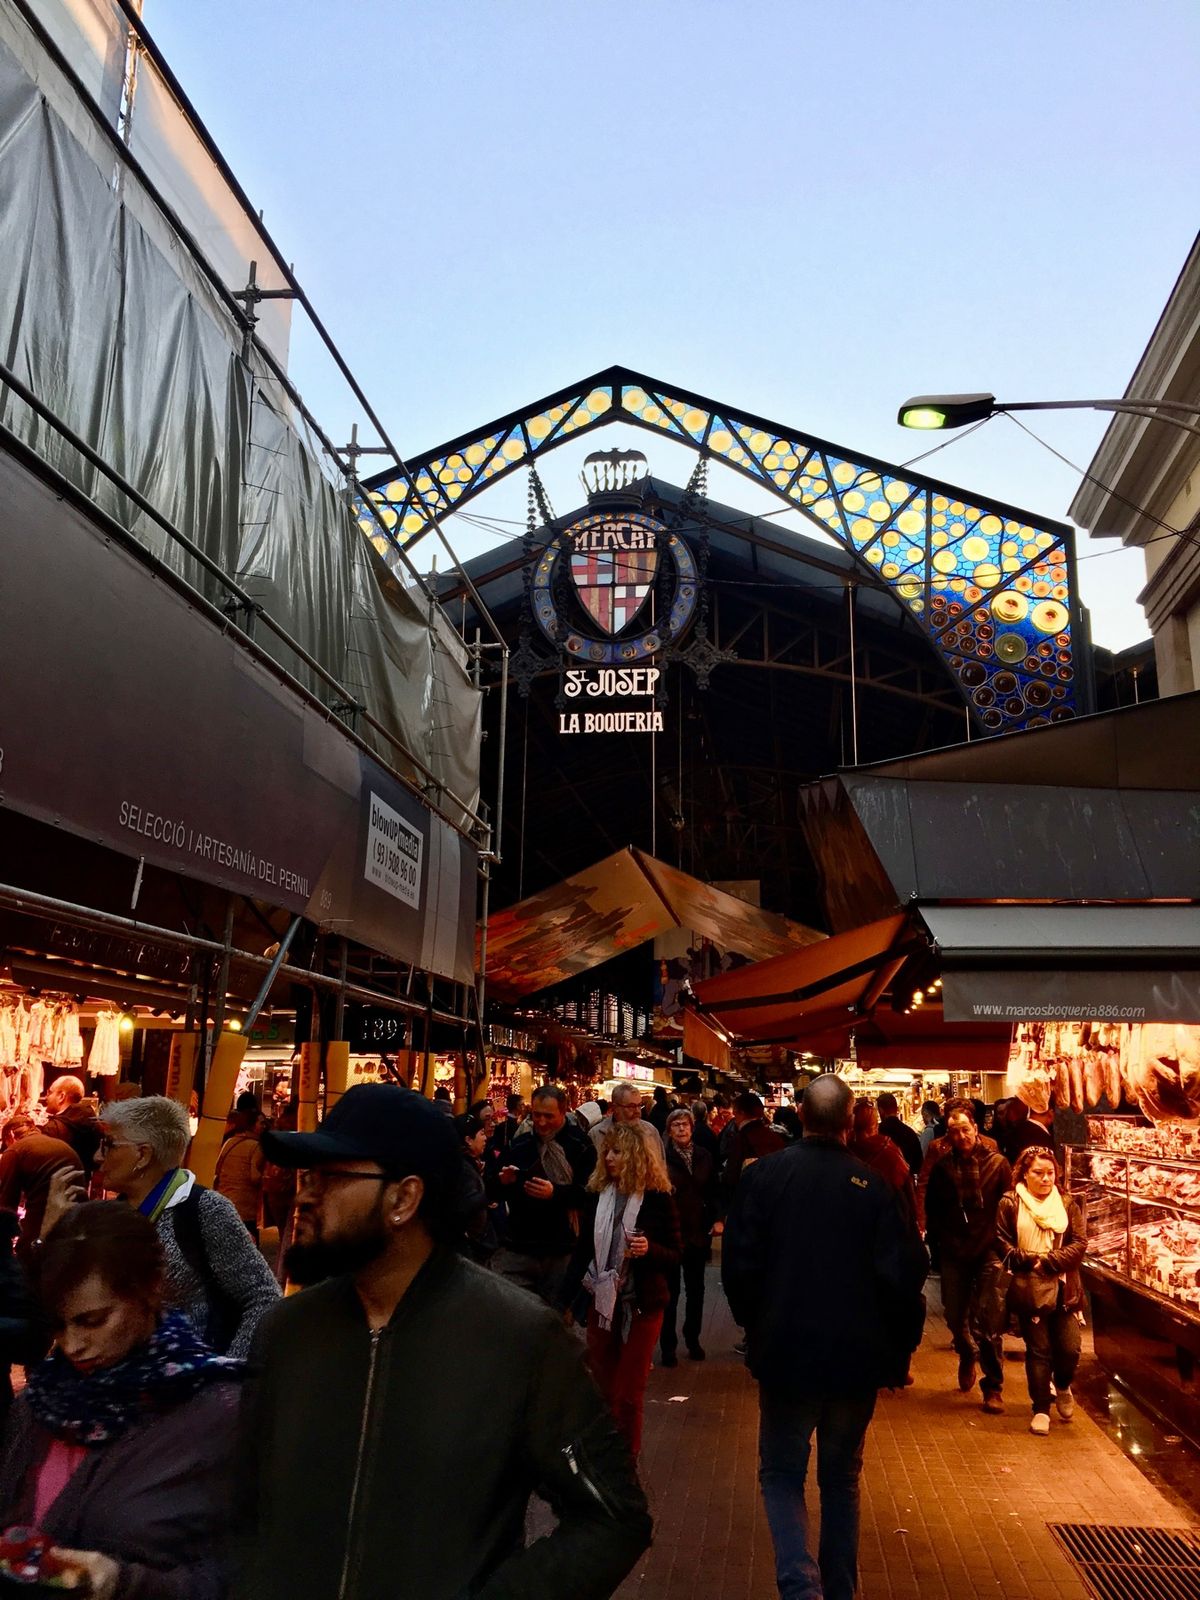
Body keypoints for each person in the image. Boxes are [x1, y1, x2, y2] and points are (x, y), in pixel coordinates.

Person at [237, 1084, 651, 1599]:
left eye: (329, 1178)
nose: (304, 1195)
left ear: (404, 1198)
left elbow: (613, 1517)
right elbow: (240, 1508)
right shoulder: (286, 1334)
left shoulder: (518, 1338)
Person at [723, 1075, 927, 1600]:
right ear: (850, 1118)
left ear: (801, 1114)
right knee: (841, 1480)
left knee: (783, 1472)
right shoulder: (873, 1187)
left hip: (786, 1354)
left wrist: (756, 1326)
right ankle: (839, 1590)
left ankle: (799, 1586)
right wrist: (899, 1351)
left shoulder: (763, 1177)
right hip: (855, 1362)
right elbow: (903, 1276)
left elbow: (739, 1267)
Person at [0, 1202, 242, 1600]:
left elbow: (243, 1573)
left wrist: (125, 1581)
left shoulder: (219, 1413)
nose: (73, 1346)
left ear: (149, 1289)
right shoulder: (37, 1405)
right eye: (58, 1325)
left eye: (92, 1321)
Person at [44, 1096, 279, 1358]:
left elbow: (263, 1297)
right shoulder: (109, 1215)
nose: (97, 1156)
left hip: (186, 1384)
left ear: (143, 1155)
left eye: (108, 1145)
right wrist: (54, 1231)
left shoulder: (204, 1209)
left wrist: (225, 1373)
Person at [565, 1122, 681, 1456]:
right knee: (601, 1386)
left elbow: (676, 1255)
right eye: (608, 1151)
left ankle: (624, 1462)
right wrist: (563, 1300)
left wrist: (649, 1250)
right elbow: (583, 1250)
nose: (610, 1158)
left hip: (641, 1304)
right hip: (602, 1302)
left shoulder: (657, 1198)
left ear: (634, 1156)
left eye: (617, 1151)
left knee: (629, 1392)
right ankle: (605, 1456)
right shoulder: (598, 1195)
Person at [923, 1099, 1012, 1412]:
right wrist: (937, 1239)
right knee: (953, 1314)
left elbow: (1009, 1206)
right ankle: (966, 1352)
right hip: (954, 1251)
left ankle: (993, 1388)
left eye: (965, 1129)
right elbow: (933, 1207)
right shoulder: (942, 1167)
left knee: (989, 1318)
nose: (960, 1136)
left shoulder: (998, 1164)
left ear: (975, 1129)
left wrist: (1005, 1245)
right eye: (954, 1131)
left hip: (988, 1250)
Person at [996, 1146, 1087, 1436]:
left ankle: (1061, 1384)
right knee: (1039, 1350)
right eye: (1038, 1173)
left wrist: (1047, 1261)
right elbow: (1001, 1242)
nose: (1046, 1179)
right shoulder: (1010, 1203)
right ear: (1025, 1172)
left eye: (1050, 1173)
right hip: (1029, 1289)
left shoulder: (1067, 1203)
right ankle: (1040, 1409)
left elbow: (1079, 1243)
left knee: (1070, 1348)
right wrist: (1028, 1261)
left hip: (1063, 1288)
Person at [489, 1084, 595, 1306]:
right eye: (536, 1115)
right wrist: (504, 1181)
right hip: (520, 1245)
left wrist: (555, 1192)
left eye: (549, 1116)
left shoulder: (580, 1146)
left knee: (552, 1321)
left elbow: (591, 1194)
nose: (541, 1122)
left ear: (564, 1112)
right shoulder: (520, 1143)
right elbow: (492, 1189)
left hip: (561, 1249)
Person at [660, 1108, 717, 1366]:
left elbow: (714, 1191)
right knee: (669, 1293)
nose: (681, 1129)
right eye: (676, 1125)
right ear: (669, 1130)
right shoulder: (662, 1157)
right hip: (671, 1233)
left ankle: (692, 1339)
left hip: (697, 1233)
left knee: (696, 1291)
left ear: (692, 1128)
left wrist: (717, 1219)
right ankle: (668, 1346)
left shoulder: (704, 1156)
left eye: (685, 1124)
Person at [0, 1121, 82, 1266]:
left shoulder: (14, 1151)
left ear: (11, 1135)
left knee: (27, 1257)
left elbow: (6, 1204)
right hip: (79, 1213)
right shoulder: (58, 1144)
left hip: (46, 1213)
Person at [214, 1106, 267, 1242]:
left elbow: (217, 1169)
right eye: (261, 1123)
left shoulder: (229, 1142)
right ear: (252, 1125)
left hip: (224, 1203)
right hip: (245, 1208)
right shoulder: (256, 1146)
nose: (264, 1126)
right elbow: (254, 1177)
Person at [454, 1110, 498, 1264]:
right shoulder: (464, 1169)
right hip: (472, 1248)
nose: (485, 1138)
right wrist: (489, 1195)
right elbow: (467, 1205)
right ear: (468, 1140)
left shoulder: (473, 1165)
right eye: (481, 1134)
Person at [722, 1091, 786, 1195]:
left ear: (741, 1113)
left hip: (749, 1200)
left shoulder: (740, 1139)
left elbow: (731, 1178)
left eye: (735, 1112)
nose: (734, 1117)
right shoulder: (776, 1137)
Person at [40, 1076, 102, 1177]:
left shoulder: (53, 1128)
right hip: (81, 1184)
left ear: (61, 1096)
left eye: (49, 1092)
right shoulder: (93, 1122)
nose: (47, 1097)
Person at [589, 1083, 666, 1158]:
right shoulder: (597, 1134)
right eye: (631, 1106)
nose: (637, 1111)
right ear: (615, 1108)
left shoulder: (651, 1131)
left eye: (639, 1105)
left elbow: (661, 1164)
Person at [876, 1092, 923, 1182]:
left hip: (882, 1184)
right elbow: (918, 1164)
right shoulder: (910, 1133)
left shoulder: (877, 1131)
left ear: (881, 1110)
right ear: (896, 1109)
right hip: (906, 1185)